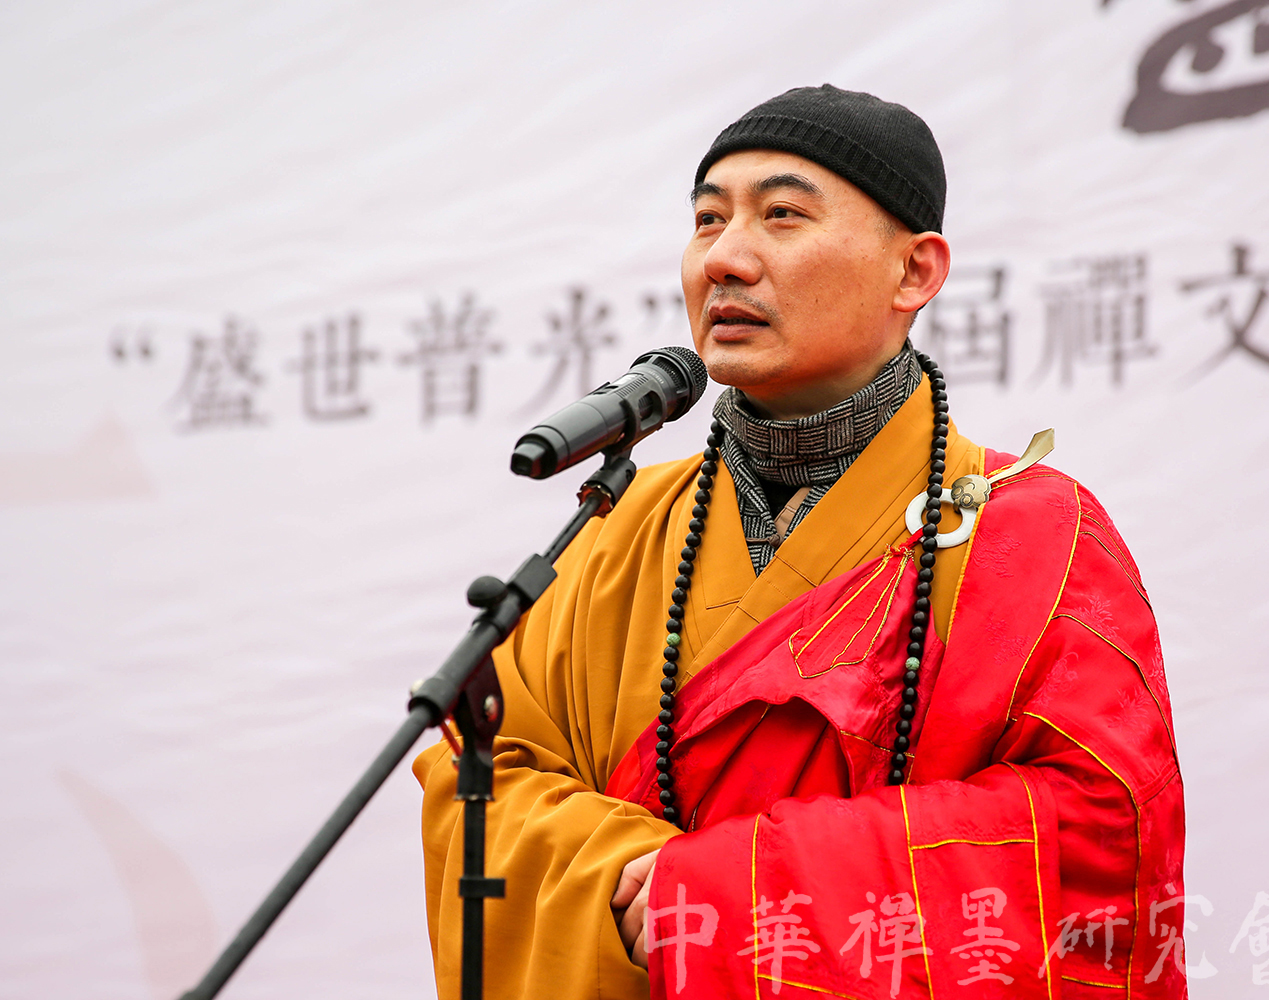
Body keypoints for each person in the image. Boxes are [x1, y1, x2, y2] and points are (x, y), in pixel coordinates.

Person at [414, 85, 1184, 1000]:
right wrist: (623, 881)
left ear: (915, 272)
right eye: (707, 220)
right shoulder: (617, 526)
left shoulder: (1033, 533)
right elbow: (483, 773)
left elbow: (1102, 828)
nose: (724, 258)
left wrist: (728, 891)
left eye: (781, 215)